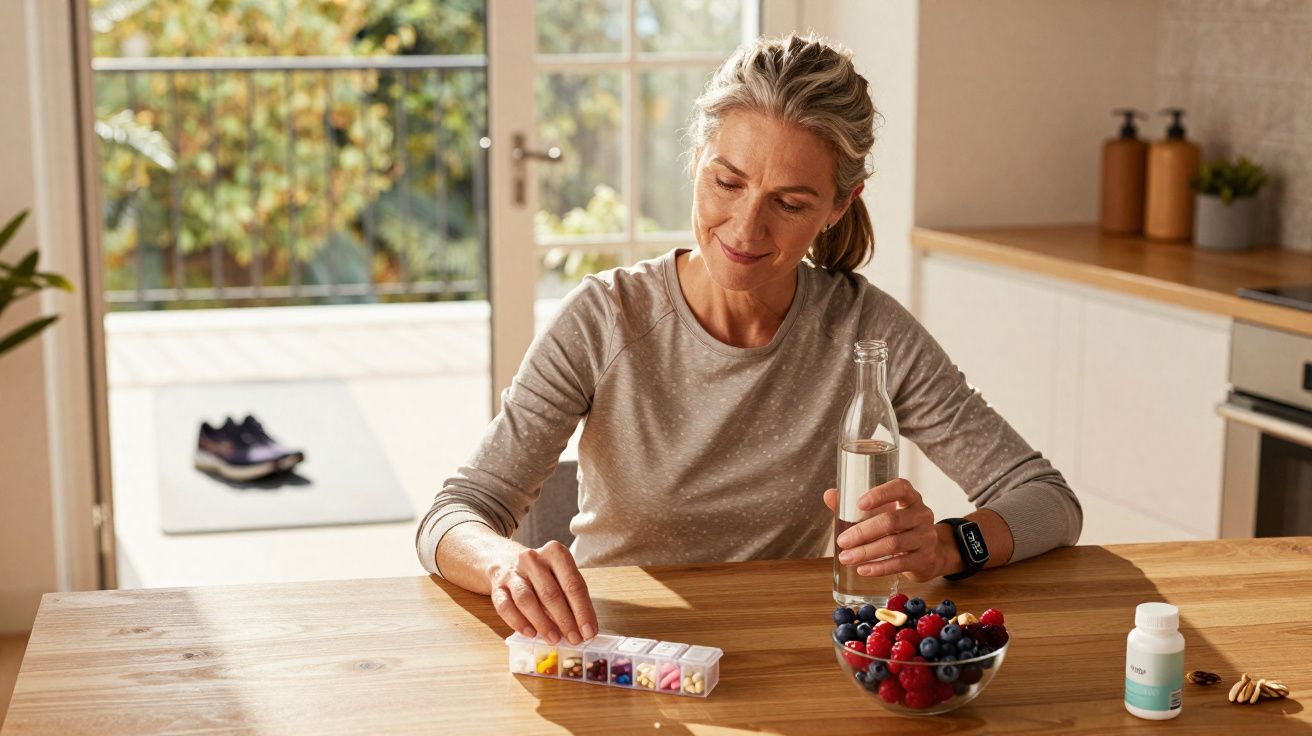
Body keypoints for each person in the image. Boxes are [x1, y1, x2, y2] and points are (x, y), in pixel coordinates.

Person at [415, 33, 1081, 648]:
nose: (745, 227)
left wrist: (948, 546)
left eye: (790, 204)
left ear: (838, 207)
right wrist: (504, 562)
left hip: (791, 653)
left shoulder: (865, 332)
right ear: (697, 159)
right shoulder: (604, 318)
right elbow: (455, 514)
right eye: (727, 182)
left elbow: (1047, 501)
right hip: (619, 652)